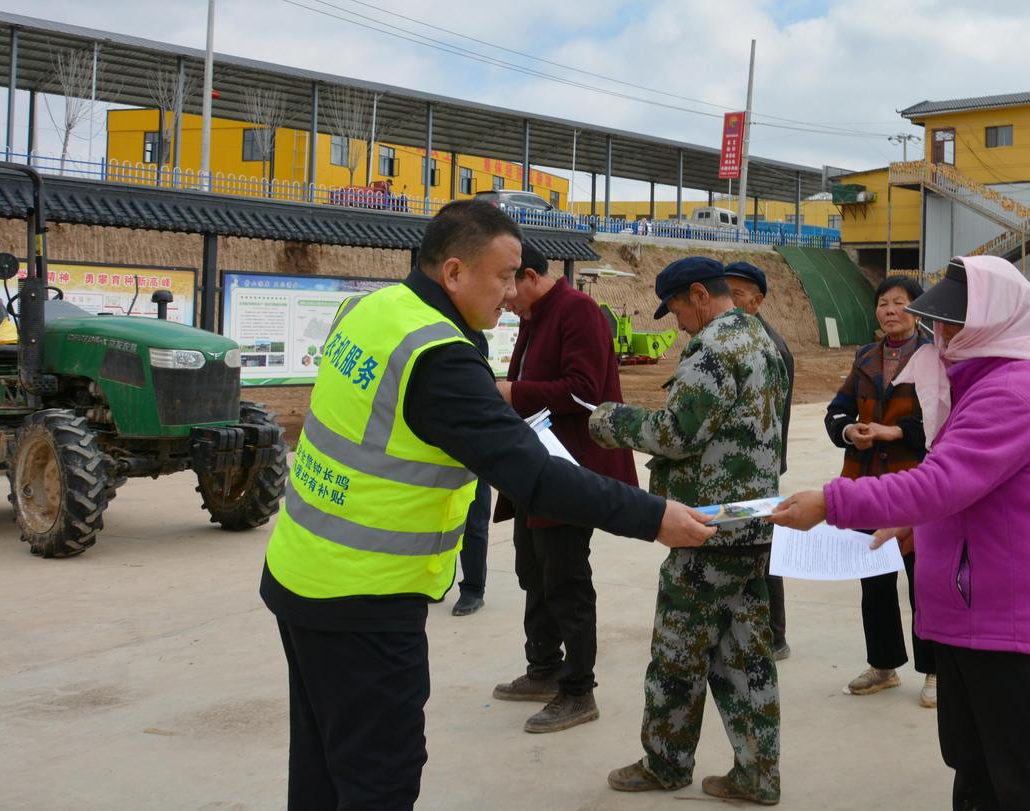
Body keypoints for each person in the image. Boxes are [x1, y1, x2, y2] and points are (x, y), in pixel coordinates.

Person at [260, 200, 714, 811]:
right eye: (502, 276)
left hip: (300, 570)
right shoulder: (437, 356)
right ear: (453, 272)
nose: (510, 292)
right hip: (364, 596)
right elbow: (533, 474)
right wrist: (653, 516)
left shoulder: (374, 309)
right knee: (379, 777)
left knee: (321, 766)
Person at [775, 257, 1030, 811]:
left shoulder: (1013, 391)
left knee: (1025, 784)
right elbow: (970, 490)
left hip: (1006, 622)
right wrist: (918, 518)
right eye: (939, 323)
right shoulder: (978, 384)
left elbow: (941, 481)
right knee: (977, 773)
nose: (939, 336)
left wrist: (832, 501)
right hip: (974, 615)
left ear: (993, 322)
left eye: (953, 324)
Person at [589, 256, 786, 806]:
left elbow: (676, 433)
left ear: (700, 294)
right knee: (746, 658)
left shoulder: (714, 346)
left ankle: (665, 763)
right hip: (749, 525)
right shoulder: (760, 338)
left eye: (676, 308)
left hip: (706, 531)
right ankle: (758, 773)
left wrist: (610, 420)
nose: (677, 323)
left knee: (677, 653)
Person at [488, 241, 638, 733]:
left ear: (530, 276)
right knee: (533, 571)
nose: (504, 298)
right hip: (535, 469)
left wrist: (513, 392)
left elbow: (584, 390)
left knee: (566, 579)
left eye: (508, 284)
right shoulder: (534, 317)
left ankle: (578, 691)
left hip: (570, 471)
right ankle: (544, 668)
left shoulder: (579, 312)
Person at [822, 275, 938, 706]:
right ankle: (883, 665)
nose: (890, 310)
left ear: (917, 310)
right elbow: (837, 410)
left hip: (913, 484)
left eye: (899, 302)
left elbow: (942, 422)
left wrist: (897, 432)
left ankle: (935, 670)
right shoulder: (866, 356)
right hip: (866, 484)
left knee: (923, 580)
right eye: (883, 303)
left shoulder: (934, 358)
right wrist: (849, 431)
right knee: (873, 579)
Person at [725, 259, 795, 661]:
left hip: (757, 466)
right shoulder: (739, 337)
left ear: (757, 300)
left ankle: (774, 635)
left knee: (763, 548)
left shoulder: (768, 347)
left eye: (736, 293)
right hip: (745, 464)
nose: (729, 301)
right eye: (724, 292)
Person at [450, 479, 491, 616]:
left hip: (473, 469)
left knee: (474, 523)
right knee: (434, 521)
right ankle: (435, 585)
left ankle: (473, 589)